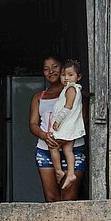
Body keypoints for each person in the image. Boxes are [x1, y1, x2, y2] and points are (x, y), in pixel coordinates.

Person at [29, 56, 87, 205]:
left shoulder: (74, 92)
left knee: (69, 200)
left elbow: (83, 119)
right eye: (46, 68)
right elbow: (33, 124)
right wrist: (44, 135)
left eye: (55, 67)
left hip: (73, 148)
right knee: (51, 199)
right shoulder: (38, 97)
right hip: (45, 148)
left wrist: (65, 136)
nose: (51, 71)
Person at [49, 59, 85, 190]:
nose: (66, 78)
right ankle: (70, 174)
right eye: (63, 75)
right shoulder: (75, 89)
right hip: (72, 129)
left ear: (78, 77)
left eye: (70, 75)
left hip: (65, 128)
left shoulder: (70, 89)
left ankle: (59, 171)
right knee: (68, 150)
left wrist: (57, 121)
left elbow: (67, 107)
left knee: (52, 145)